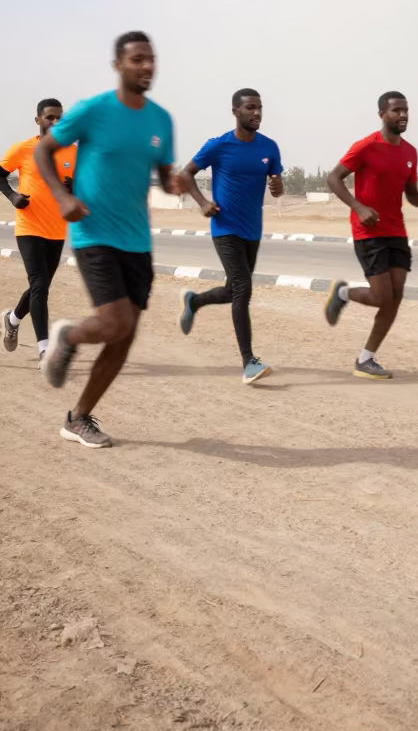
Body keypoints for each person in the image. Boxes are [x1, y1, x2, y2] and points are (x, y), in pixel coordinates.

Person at [35, 32, 176, 448]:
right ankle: (67, 337)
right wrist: (62, 197)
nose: (147, 66)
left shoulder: (161, 120)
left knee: (124, 336)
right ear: (118, 65)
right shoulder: (93, 110)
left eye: (151, 58)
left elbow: (165, 177)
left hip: (137, 241)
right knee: (115, 322)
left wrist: (178, 182)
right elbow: (44, 151)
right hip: (93, 231)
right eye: (137, 59)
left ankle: (78, 419)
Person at [324, 92, 418, 379]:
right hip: (368, 231)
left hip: (396, 231)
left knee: (395, 297)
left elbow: (411, 193)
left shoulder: (410, 152)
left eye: (406, 110)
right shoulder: (366, 146)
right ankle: (342, 293)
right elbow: (333, 178)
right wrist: (358, 207)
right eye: (397, 110)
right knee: (381, 296)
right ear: (382, 115)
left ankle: (366, 358)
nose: (403, 115)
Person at [177, 88, 283, 384]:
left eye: (259, 107)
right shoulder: (218, 145)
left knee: (231, 290)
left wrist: (278, 188)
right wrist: (203, 203)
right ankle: (249, 362)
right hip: (225, 227)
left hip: (253, 230)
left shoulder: (270, 147)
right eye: (250, 107)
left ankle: (194, 302)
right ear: (236, 112)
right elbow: (185, 174)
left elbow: (277, 185)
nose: (257, 113)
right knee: (243, 288)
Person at [1, 100, 76, 363]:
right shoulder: (24, 148)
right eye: (50, 118)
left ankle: (12, 319)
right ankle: (44, 349)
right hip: (29, 226)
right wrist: (13, 196)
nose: (55, 122)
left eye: (59, 118)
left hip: (56, 230)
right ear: (38, 120)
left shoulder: (71, 152)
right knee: (40, 284)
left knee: (39, 287)